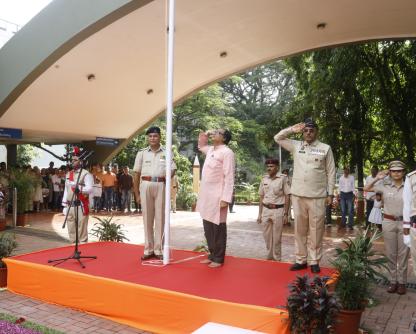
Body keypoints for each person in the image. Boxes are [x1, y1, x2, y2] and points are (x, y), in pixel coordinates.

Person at [274, 118, 336, 273]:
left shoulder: (325, 148)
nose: (308, 133)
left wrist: (330, 194)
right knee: (299, 230)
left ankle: (314, 260)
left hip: (317, 196)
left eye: (312, 130)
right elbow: (278, 138)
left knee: (316, 230)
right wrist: (291, 129)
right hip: (298, 194)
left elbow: (331, 172)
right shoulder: (296, 145)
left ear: (317, 132)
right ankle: (301, 259)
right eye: (306, 131)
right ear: (303, 132)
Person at [364, 160, 409, 295]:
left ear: (403, 172)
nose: (396, 173)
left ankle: (402, 283)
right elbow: (366, 188)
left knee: (403, 254)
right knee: (391, 253)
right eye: (393, 171)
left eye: (399, 171)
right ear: (389, 172)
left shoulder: (409, 187)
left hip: (404, 223)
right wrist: (377, 178)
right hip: (388, 222)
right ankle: (392, 281)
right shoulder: (383, 185)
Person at [133, 126, 176, 261]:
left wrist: (166, 177)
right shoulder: (142, 153)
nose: (152, 138)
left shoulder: (167, 152)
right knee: (147, 218)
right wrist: (136, 193)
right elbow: (136, 173)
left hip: (161, 185)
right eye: (150, 136)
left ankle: (158, 249)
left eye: (155, 136)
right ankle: (148, 249)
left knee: (160, 218)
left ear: (160, 137)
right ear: (148, 138)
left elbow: (173, 169)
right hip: (145, 185)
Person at [197, 129, 235, 268]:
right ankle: (212, 254)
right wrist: (206, 134)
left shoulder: (227, 152)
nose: (215, 133)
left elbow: (229, 176)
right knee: (208, 227)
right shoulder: (211, 150)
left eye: (218, 132)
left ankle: (218, 258)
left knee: (218, 227)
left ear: (224, 138)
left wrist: (226, 198)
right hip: (207, 196)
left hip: (219, 196)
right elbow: (201, 145)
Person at [257, 159, 290, 261]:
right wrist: (259, 214)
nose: (269, 168)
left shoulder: (283, 179)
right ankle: (269, 255)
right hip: (266, 210)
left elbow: (287, 196)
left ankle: (277, 258)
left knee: (277, 237)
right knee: (266, 235)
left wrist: (286, 214)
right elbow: (261, 197)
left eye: (271, 166)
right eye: (268, 166)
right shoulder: (264, 179)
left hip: (278, 210)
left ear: (277, 167)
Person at [62, 153, 93, 243]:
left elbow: (89, 189)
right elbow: (66, 190)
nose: (72, 162)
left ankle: (82, 249)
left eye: (75, 160)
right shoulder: (69, 174)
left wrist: (77, 187)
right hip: (69, 205)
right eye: (72, 160)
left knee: (81, 232)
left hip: (81, 205)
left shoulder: (86, 174)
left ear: (81, 161)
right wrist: (64, 205)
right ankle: (73, 248)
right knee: (71, 231)